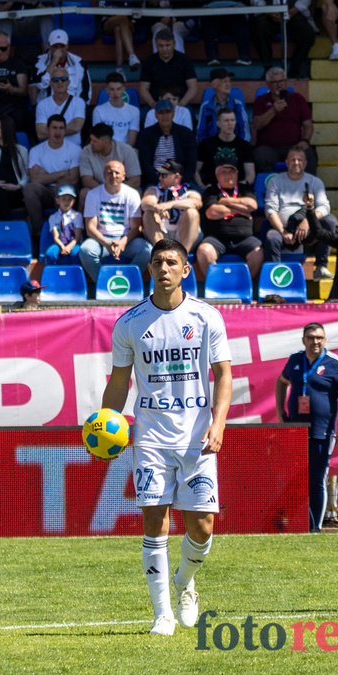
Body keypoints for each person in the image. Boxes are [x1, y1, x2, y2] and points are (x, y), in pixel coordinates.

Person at [99, 242, 235, 635]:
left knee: (203, 527)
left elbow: (224, 375)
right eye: (157, 262)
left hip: (197, 437)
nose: (163, 268)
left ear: (186, 270)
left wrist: (220, 422)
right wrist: (106, 424)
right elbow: (119, 382)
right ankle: (162, 613)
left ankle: (184, 582)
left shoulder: (206, 317)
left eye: (171, 262)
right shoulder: (130, 322)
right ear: (149, 269)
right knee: (154, 521)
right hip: (151, 438)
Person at [277, 322, 338, 533]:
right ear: (304, 340)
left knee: (317, 478)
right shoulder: (294, 360)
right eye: (310, 338)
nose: (315, 342)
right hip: (295, 431)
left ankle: (315, 527)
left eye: (319, 337)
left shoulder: (335, 363)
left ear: (325, 339)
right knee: (295, 477)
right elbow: (281, 382)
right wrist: (280, 411)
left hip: (322, 432)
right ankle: (290, 522)